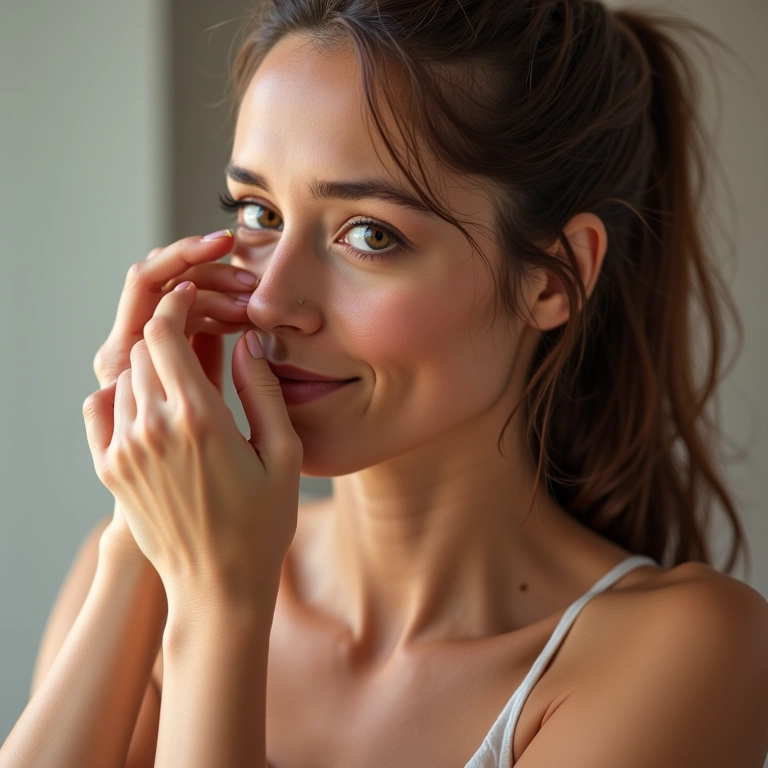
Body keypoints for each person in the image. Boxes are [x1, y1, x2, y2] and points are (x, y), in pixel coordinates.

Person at [3, 1, 768, 766]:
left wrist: (219, 605)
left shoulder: (688, 651)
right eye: (258, 212)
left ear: (551, 278)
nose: (270, 300)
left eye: (370, 234)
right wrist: (140, 536)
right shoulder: (144, 567)